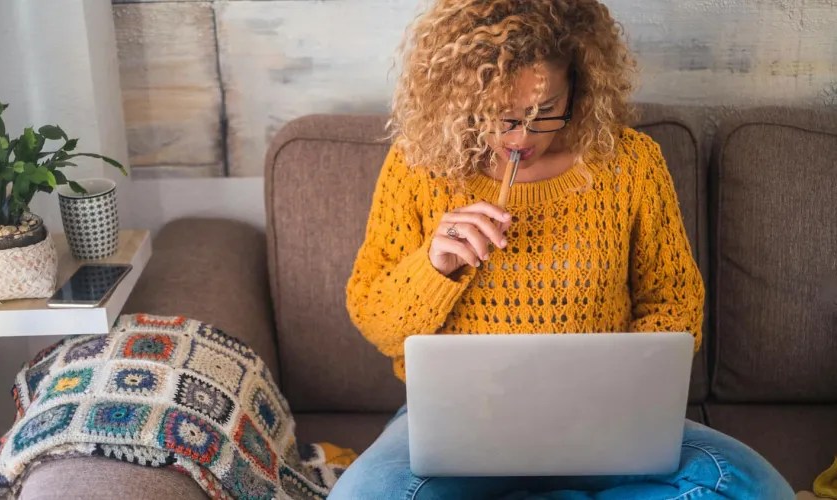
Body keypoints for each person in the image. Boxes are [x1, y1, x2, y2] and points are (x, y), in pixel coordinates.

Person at [330, 0, 794, 498]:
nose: (520, 137)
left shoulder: (632, 164)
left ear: (580, 81)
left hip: (605, 422)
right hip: (459, 430)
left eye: (543, 111)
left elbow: (675, 304)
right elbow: (375, 319)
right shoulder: (418, 166)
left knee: (752, 486)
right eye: (500, 116)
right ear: (461, 96)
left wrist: (618, 392)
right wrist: (433, 267)